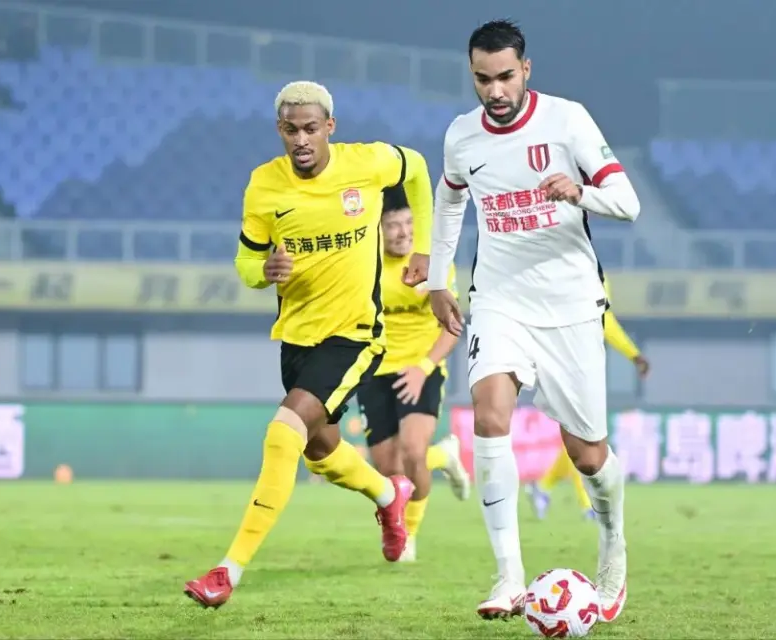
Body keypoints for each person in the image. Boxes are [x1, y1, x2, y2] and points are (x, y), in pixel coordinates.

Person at [404, 20, 640, 623]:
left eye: (505, 76)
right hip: (499, 298)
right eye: (483, 79)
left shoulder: (567, 120)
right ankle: (508, 575)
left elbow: (628, 203)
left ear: (525, 70)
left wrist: (579, 192)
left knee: (587, 454)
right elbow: (450, 198)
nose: (495, 90)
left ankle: (613, 547)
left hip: (570, 304)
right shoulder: (462, 136)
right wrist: (438, 280)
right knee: (489, 415)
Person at [184, 80, 435, 609]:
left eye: (311, 128)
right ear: (280, 130)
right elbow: (245, 262)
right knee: (320, 453)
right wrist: (264, 270)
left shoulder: (367, 163)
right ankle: (389, 494)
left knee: (283, 434)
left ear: (329, 128)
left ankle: (228, 570)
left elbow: (417, 170)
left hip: (354, 335)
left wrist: (426, 252)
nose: (301, 139)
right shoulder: (264, 185)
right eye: (291, 129)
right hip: (296, 337)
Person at [353, 184, 470, 563]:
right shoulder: (365, 263)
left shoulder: (433, 262)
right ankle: (445, 456)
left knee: (412, 451)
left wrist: (424, 367)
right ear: (378, 228)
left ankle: (409, 535)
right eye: (392, 224)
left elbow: (453, 326)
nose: (403, 232)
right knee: (389, 471)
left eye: (408, 222)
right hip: (375, 370)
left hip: (422, 365)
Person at [526, 278, 651, 521]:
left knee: (579, 438)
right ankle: (588, 505)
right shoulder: (576, 274)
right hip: (567, 367)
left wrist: (633, 354)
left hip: (577, 368)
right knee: (582, 436)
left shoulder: (591, 275)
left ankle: (544, 487)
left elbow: (604, 321)